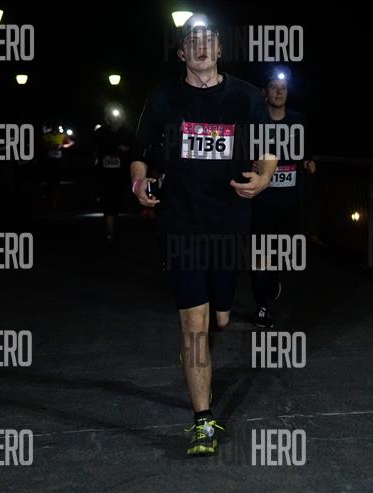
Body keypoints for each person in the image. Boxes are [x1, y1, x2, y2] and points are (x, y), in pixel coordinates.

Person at [129, 14, 276, 456]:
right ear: (181, 53)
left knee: (220, 320)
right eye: (192, 41)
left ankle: (199, 353)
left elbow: (268, 150)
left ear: (219, 49)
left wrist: (263, 179)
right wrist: (138, 183)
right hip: (180, 223)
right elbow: (139, 153)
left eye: (208, 39)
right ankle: (203, 421)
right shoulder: (162, 98)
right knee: (194, 324)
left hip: (228, 222)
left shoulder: (246, 97)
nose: (201, 46)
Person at [251, 67, 316, 328]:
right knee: (260, 253)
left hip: (290, 201)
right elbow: (242, 151)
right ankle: (261, 307)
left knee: (279, 251)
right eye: (274, 87)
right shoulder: (255, 122)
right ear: (264, 93)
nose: (279, 92)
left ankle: (273, 276)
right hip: (262, 200)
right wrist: (249, 163)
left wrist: (309, 162)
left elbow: (307, 152)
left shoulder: (298, 120)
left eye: (283, 88)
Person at [93, 107, 134, 241]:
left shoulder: (127, 133)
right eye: (111, 119)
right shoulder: (100, 132)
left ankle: (118, 227)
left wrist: (126, 149)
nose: (114, 122)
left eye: (117, 119)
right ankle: (110, 230)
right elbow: (93, 147)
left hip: (121, 174)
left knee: (119, 200)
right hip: (105, 174)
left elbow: (135, 147)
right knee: (108, 201)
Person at [39, 121, 74, 210]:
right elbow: (42, 144)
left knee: (56, 181)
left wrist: (63, 145)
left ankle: (55, 203)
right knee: (49, 181)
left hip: (58, 160)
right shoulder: (47, 135)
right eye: (54, 128)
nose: (55, 130)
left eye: (56, 128)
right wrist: (50, 145)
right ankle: (48, 200)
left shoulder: (61, 135)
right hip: (49, 160)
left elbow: (71, 142)